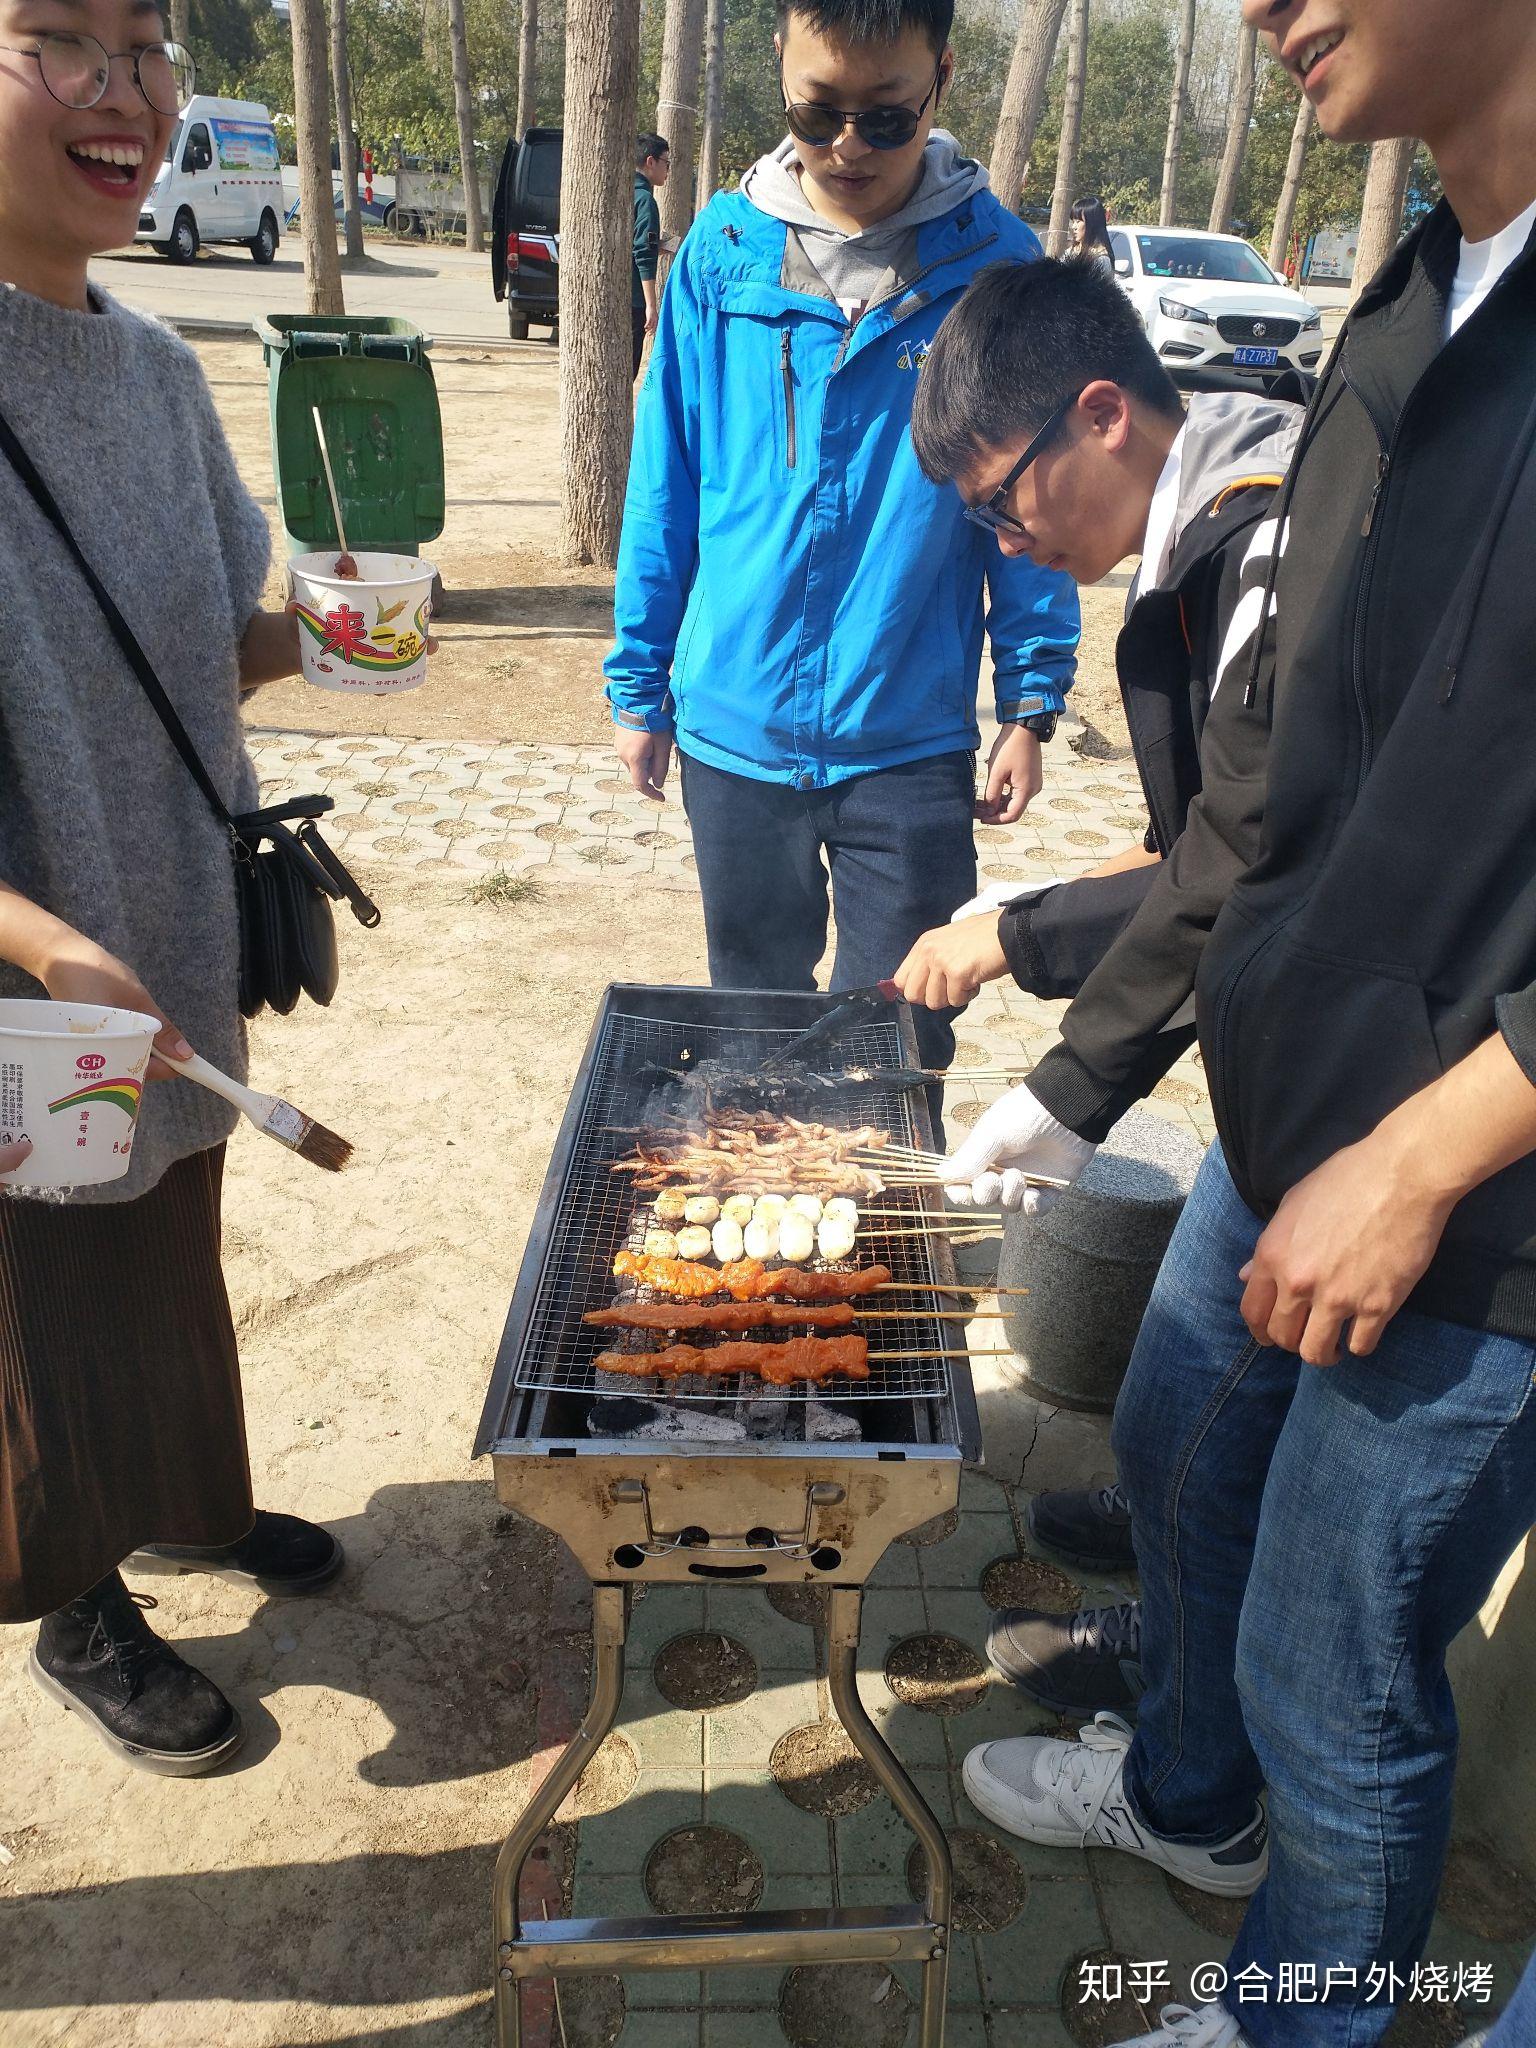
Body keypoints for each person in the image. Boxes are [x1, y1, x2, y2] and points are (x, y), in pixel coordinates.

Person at [918, 0, 1536, 2041]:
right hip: (1304, 1119)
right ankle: (1188, 1805)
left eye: (1011, 495)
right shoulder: (1410, 307)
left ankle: (1298, 2015)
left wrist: (1433, 1146)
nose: (1260, 7)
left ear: (1100, 414)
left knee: (1335, 1679)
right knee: (1186, 1465)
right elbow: (1283, 812)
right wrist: (1096, 1060)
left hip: (1476, 1198)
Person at [0, 0, 345, 1776]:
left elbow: (211, 651)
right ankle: (75, 1602)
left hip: (165, 934)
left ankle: (186, 1504)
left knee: (167, 1251)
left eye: (148, 49)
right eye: (59, 39)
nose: (122, 91)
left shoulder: (153, 367)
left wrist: (334, 637)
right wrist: (46, 939)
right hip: (28, 986)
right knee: (45, 1299)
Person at [895, 255, 1300, 1718]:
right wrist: (1026, 917)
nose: (1009, 540)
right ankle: (1174, 1552)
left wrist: (1064, 1075)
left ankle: (1192, 1737)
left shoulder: (1269, 545)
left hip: (1364, 1097)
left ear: (1105, 413)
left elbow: (1256, 856)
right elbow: (1195, 841)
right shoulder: (1194, 541)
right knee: (1172, 1410)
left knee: (1224, 1440)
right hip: (1279, 1074)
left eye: (1007, 500)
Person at [603, 0, 1080, 1109]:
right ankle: (773, 1253)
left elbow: (1031, 507)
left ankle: (885, 1237)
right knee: (754, 1026)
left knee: (903, 1030)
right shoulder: (720, 254)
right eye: (820, 116)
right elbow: (664, 484)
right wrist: (640, 683)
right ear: (780, 67)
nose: (851, 149)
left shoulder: (995, 269)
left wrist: (1031, 696)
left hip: (904, 742)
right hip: (735, 725)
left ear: (943, 79)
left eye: (887, 118)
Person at [631, 132, 668, 379]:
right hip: (633, 299)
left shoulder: (622, 192)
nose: (668, 170)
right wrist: (651, 306)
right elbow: (643, 253)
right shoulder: (645, 200)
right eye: (667, 163)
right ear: (650, 161)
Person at [1069, 194, 1113, 267]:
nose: (1073, 227)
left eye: (1078, 221)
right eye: (1073, 222)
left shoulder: (1101, 260)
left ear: (1092, 223)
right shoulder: (1071, 252)